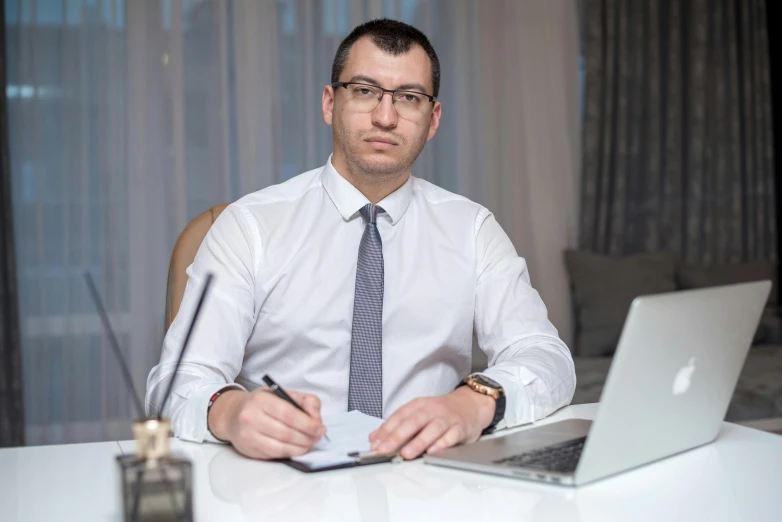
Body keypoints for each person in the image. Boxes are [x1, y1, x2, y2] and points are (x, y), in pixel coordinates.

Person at [146, 18, 575, 461]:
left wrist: (474, 401)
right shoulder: (248, 226)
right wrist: (231, 412)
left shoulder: (472, 229)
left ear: (433, 119)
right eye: (365, 91)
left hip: (430, 482)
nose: (385, 117)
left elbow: (546, 356)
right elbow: (178, 380)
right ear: (330, 102)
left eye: (409, 98)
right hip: (280, 484)